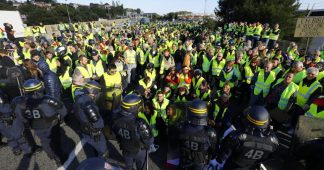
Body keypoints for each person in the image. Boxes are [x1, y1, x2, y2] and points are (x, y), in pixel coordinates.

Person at [12, 79, 67, 166]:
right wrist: (60, 117)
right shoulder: (48, 100)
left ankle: (51, 155)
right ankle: (59, 158)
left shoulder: (19, 102)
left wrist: (27, 123)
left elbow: (21, 117)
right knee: (55, 142)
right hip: (51, 125)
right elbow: (63, 111)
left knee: (44, 142)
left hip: (36, 126)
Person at [111, 94, 154, 170]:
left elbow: (114, 134)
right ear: (134, 107)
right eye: (139, 105)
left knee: (128, 167)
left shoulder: (115, 117)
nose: (140, 106)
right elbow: (149, 141)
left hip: (125, 149)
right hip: (139, 151)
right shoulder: (140, 122)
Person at [175, 99, 217, 169]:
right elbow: (213, 152)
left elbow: (175, 144)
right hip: (199, 162)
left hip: (184, 159)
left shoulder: (180, 126)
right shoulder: (210, 132)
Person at [73, 81, 109, 159]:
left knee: (93, 148)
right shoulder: (88, 104)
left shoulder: (78, 96)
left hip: (84, 128)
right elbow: (98, 123)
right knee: (104, 153)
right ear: (93, 92)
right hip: (94, 132)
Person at [0, 91, 32, 156]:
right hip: (9, 118)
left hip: (3, 121)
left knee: (10, 137)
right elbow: (7, 107)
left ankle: (16, 149)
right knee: (18, 137)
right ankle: (27, 151)